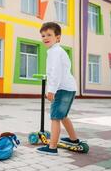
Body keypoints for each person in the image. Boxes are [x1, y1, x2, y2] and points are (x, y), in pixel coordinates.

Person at [36, 22, 79, 155]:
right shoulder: (57, 51)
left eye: (49, 34)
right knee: (63, 115)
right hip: (69, 88)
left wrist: (51, 90)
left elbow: (55, 73)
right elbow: (57, 72)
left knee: (55, 117)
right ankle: (74, 139)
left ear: (58, 37)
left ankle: (52, 147)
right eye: (43, 35)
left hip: (62, 89)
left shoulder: (55, 52)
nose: (45, 38)